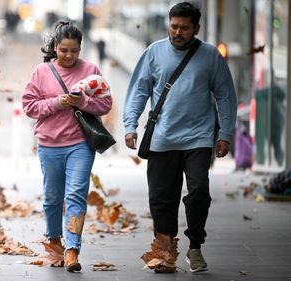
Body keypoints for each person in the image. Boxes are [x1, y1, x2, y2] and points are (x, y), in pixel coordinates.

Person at [123, 2, 237, 273]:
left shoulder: (210, 56)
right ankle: (164, 251)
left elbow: (225, 95)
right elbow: (139, 90)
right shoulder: (154, 53)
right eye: (174, 26)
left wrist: (226, 133)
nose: (177, 32)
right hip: (162, 138)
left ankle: (195, 245)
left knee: (199, 190)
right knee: (162, 198)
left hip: (198, 138)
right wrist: (130, 125)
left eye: (184, 28)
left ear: (196, 28)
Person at [22, 21, 112, 272]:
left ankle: (72, 249)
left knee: (76, 195)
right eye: (63, 50)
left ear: (80, 48)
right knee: (52, 197)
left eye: (74, 50)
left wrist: (82, 101)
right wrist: (58, 103)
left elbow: (105, 104)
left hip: (80, 144)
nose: (69, 56)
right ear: (55, 47)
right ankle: (54, 243)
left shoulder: (91, 69)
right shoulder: (42, 72)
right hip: (49, 144)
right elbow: (29, 106)